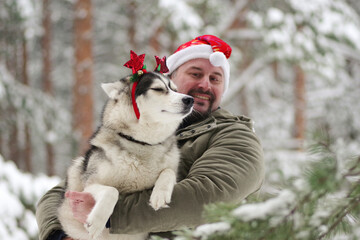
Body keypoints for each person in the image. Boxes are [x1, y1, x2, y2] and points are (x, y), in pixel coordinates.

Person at [36, 34, 264, 240]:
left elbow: (208, 196)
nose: (205, 84)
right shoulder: (141, 132)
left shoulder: (235, 136)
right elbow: (60, 193)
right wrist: (60, 235)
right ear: (170, 80)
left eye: (216, 79)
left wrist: (107, 213)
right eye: (195, 74)